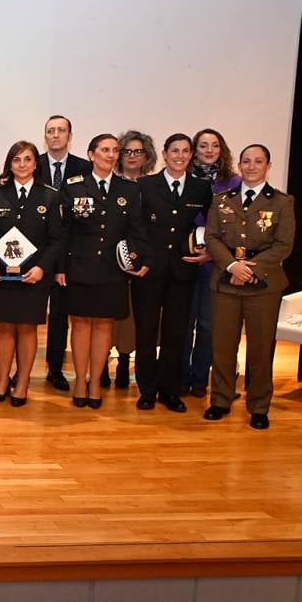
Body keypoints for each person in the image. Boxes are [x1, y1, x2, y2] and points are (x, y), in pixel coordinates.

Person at [203, 144, 295, 430]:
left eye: (258, 161)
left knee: (260, 347)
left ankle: (258, 405)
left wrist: (250, 269)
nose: (251, 166)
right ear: (239, 166)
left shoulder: (281, 202)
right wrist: (232, 266)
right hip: (227, 281)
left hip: (263, 285)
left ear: (268, 165)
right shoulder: (222, 200)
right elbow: (212, 237)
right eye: (246, 161)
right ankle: (220, 399)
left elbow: (284, 245)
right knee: (222, 345)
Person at [57, 134, 149, 408]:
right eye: (104, 150)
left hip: (112, 270)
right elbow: (63, 231)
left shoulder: (128, 190)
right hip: (79, 267)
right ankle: (81, 382)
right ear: (90, 154)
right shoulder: (74, 186)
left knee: (104, 325)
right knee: (81, 324)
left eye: (114, 151)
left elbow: (137, 230)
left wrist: (140, 258)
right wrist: (60, 267)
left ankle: (96, 382)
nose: (110, 155)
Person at [132, 133, 212, 412]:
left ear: (191, 155)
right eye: (174, 151)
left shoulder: (201, 188)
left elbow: (213, 225)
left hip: (183, 270)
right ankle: (146, 390)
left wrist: (209, 251)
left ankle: (170, 391)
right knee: (146, 332)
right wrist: (142, 259)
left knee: (176, 334)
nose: (179, 156)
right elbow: (137, 227)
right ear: (164, 154)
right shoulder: (145, 185)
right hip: (149, 270)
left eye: (185, 151)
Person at [0, 141, 64, 405]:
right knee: (5, 329)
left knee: (27, 330)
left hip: (35, 276)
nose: (22, 165)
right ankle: (3, 380)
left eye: (27, 159)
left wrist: (42, 268)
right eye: (17, 160)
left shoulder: (49, 196)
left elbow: (56, 240)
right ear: (10, 164)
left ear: (35, 163)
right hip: (4, 275)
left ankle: (23, 382)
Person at [182, 128, 240, 398]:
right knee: (183, 322)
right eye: (203, 145)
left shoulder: (234, 183)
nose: (208, 150)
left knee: (207, 325)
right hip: (185, 262)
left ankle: (198, 379)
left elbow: (240, 226)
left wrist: (213, 253)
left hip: (216, 265)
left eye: (214, 145)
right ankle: (180, 376)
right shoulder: (183, 180)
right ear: (194, 150)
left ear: (222, 150)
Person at [100, 130, 158, 390]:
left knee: (132, 317)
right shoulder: (110, 182)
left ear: (147, 156)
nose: (132, 156)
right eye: (127, 151)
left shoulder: (154, 185)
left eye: (138, 152)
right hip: (109, 259)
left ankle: (124, 360)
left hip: (141, 259)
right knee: (106, 314)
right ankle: (101, 362)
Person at [38, 115, 92, 391]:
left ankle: (55, 369)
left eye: (61, 131)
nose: (55, 135)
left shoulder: (85, 167)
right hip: (37, 253)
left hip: (69, 254)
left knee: (60, 314)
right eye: (50, 131)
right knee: (27, 315)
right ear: (45, 136)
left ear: (70, 136)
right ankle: (19, 370)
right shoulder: (31, 163)